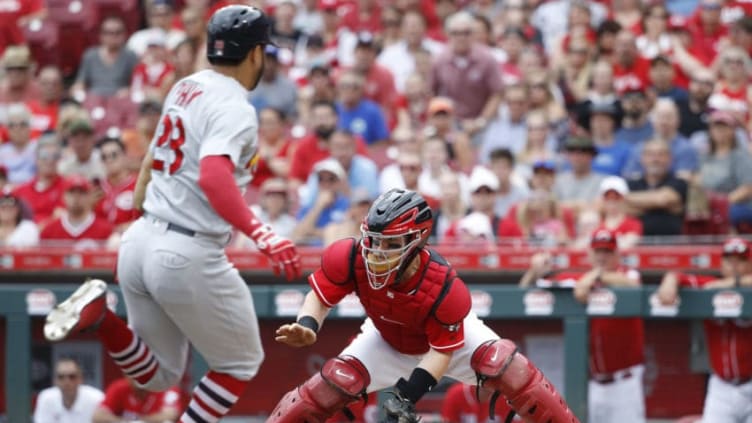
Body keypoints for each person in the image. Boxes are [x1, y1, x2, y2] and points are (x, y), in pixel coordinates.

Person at [43, 6, 301, 423]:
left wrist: (141, 218)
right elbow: (215, 176)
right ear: (255, 53)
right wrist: (261, 232)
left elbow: (148, 160)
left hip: (141, 240)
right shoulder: (236, 107)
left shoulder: (186, 86)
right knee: (240, 363)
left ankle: (103, 318)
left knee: (159, 377)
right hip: (187, 249)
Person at [268, 189, 577, 423]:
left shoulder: (443, 285)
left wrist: (409, 393)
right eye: (373, 241)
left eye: (390, 244)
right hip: (385, 337)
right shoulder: (349, 256)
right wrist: (308, 324)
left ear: (417, 240)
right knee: (327, 386)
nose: (377, 252)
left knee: (509, 367)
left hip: (446, 347)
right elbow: (321, 296)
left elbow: (442, 351)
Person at [519, 228, 645, 423]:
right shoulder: (581, 279)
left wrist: (596, 277)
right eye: (598, 251)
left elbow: (633, 286)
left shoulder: (627, 274)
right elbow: (526, 290)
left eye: (608, 251)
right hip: (594, 384)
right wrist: (534, 271)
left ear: (617, 254)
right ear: (590, 253)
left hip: (625, 384)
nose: (602, 256)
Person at [657, 237, 752, 423]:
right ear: (721, 264)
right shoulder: (708, 285)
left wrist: (733, 283)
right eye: (729, 260)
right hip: (721, 387)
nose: (734, 266)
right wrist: (670, 280)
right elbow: (679, 276)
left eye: (740, 261)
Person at [33, 357, 104, 423]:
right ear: (55, 380)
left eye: (72, 377)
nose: (66, 382)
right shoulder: (46, 398)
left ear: (81, 379)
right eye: (61, 377)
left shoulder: (96, 398)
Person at [92, 377, 182, 423]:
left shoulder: (165, 387)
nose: (137, 377)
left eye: (141, 373)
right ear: (126, 375)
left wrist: (138, 421)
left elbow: (170, 415)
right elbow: (98, 416)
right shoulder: (119, 387)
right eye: (132, 373)